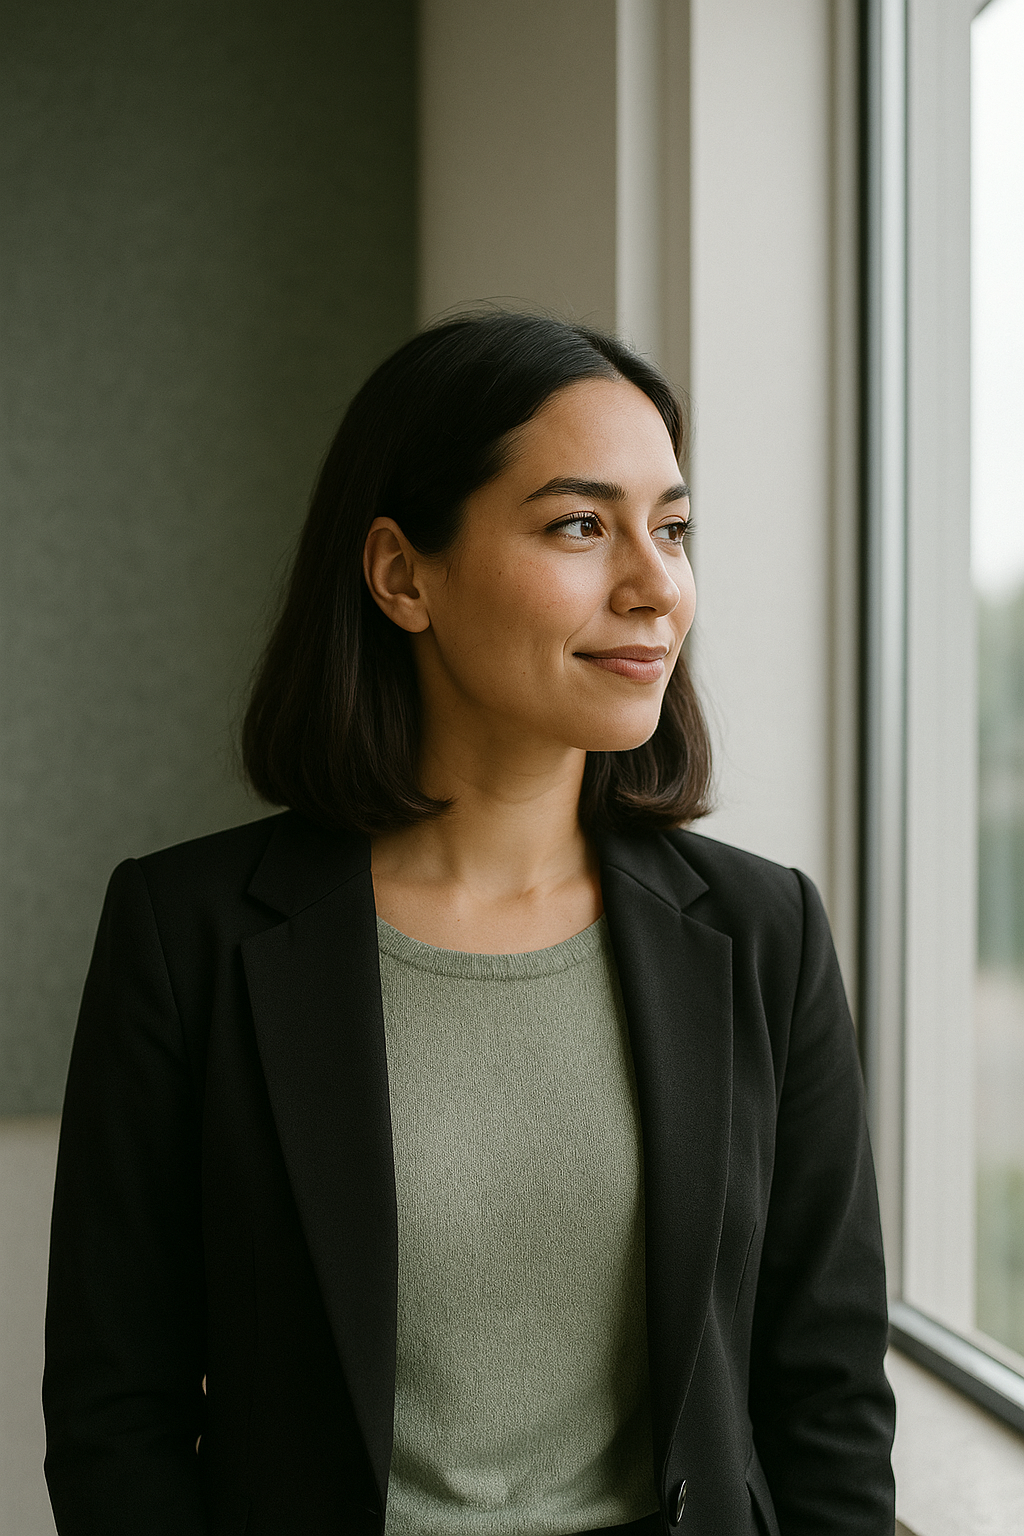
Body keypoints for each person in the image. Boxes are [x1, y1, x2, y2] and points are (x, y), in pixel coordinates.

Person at [42, 311, 896, 1536]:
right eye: (580, 526)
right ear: (401, 574)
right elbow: (115, 1411)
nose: (656, 586)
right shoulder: (190, 935)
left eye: (671, 527)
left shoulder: (765, 933)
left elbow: (826, 1401)